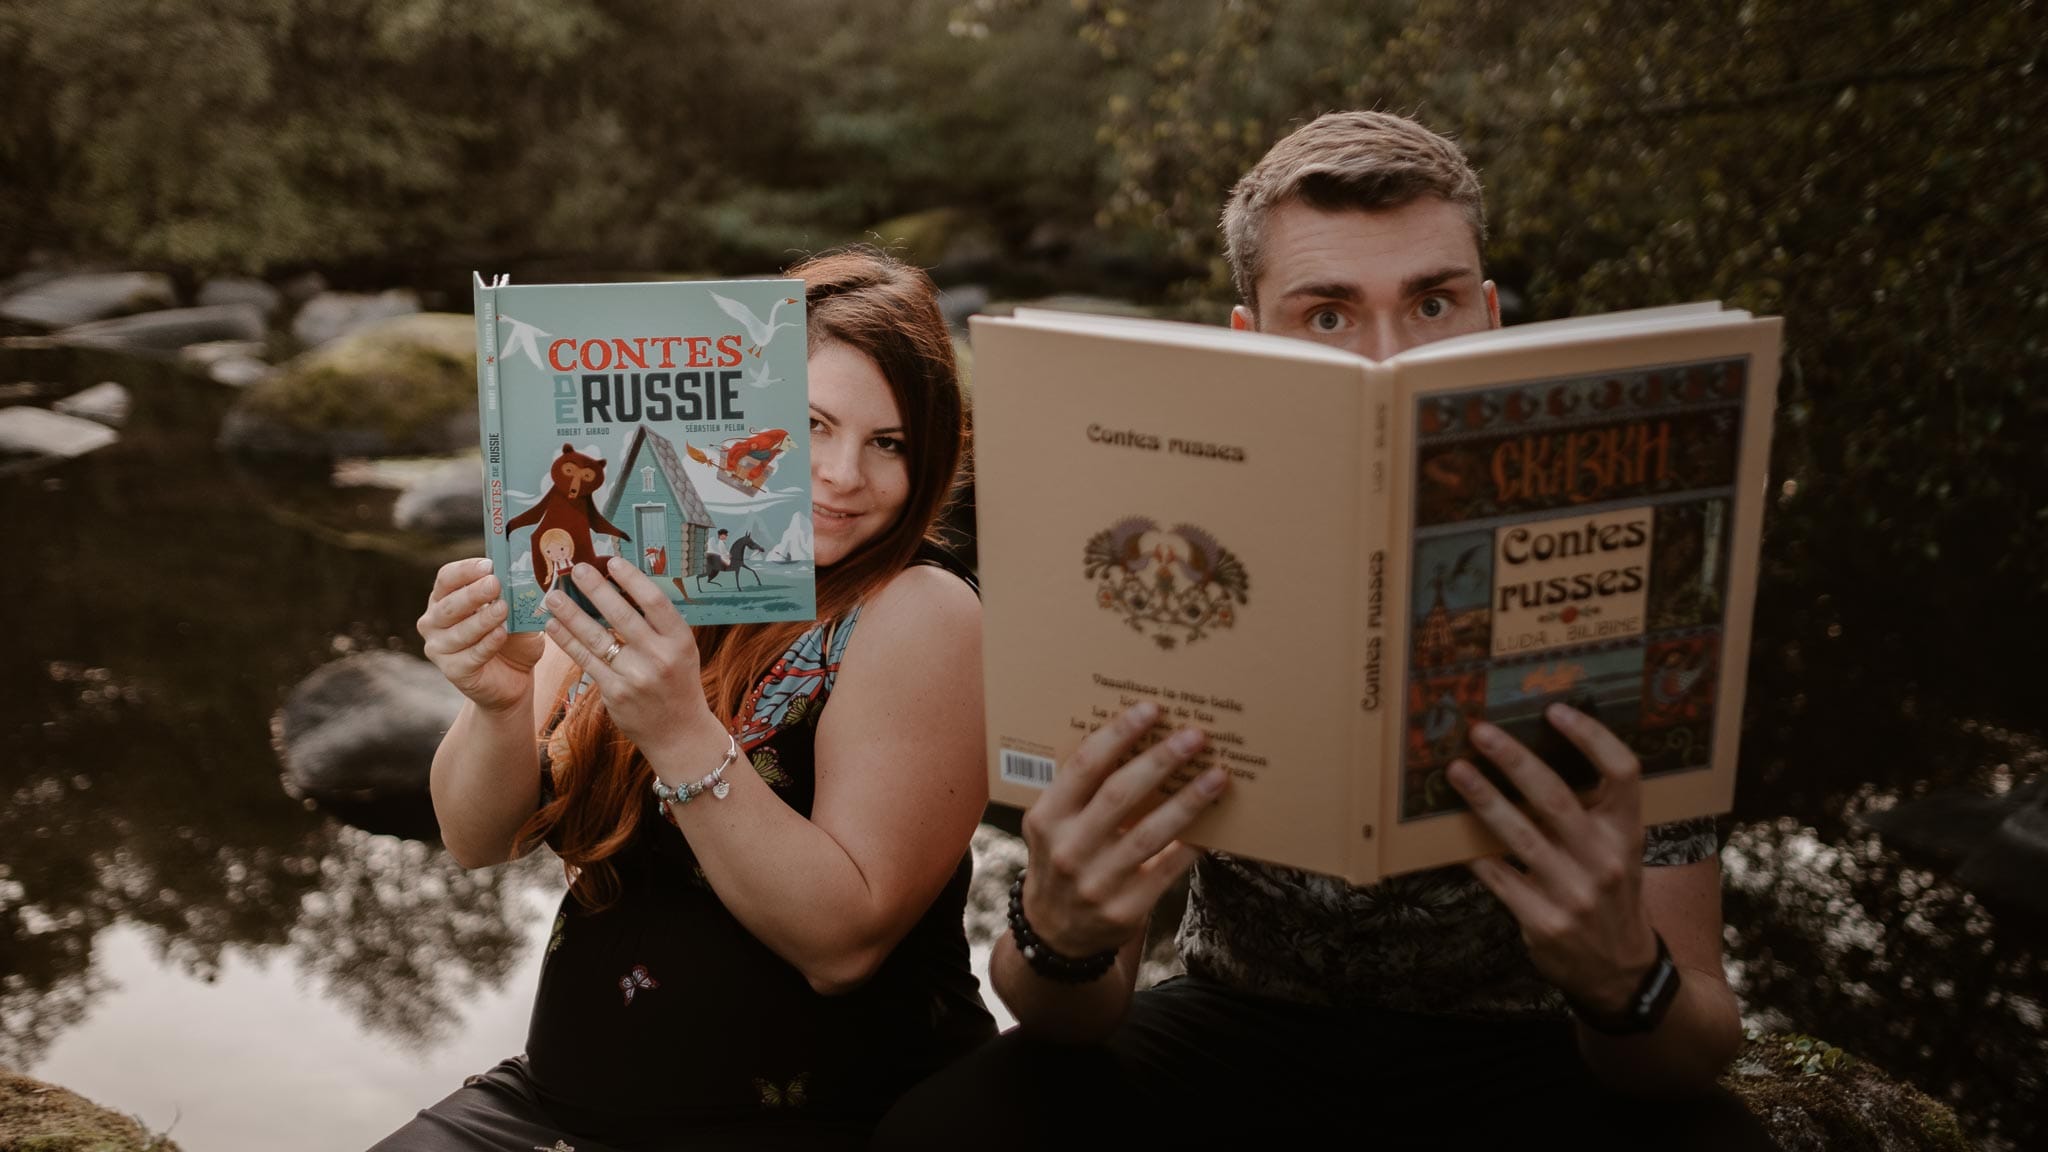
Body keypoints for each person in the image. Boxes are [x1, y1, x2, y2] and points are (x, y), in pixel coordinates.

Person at [875, 112, 1775, 1149]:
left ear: (1487, 314)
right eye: (1329, 315)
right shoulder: (1151, 529)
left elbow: (1692, 1039)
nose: (1386, 357)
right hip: (1236, 1027)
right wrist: (1062, 935)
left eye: (1430, 302)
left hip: (1538, 1050)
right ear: (1249, 340)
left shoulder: (1634, 533)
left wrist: (1624, 980)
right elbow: (1067, 1005)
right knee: (945, 1131)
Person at [383, 248, 994, 1152]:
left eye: (889, 443)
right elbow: (475, 839)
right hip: (552, 1106)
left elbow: (842, 946)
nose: (841, 475)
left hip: (817, 1120)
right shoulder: (635, 563)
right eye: (810, 423)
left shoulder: (920, 609)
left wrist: (677, 730)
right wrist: (501, 704)